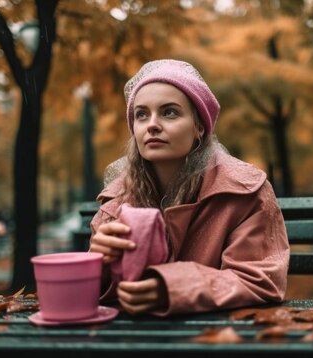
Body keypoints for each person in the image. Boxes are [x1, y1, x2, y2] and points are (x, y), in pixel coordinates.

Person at [89, 59, 290, 316]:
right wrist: (99, 265)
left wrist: (172, 288)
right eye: (141, 114)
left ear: (199, 127)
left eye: (169, 112)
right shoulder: (116, 203)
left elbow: (260, 279)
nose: (152, 124)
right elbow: (99, 296)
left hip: (220, 337)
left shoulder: (244, 193)